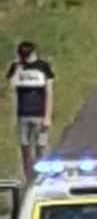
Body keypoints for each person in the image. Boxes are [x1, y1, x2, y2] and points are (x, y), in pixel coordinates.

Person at [6, 41, 55, 181]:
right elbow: (12, 85)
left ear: (34, 52)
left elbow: (49, 93)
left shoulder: (43, 67)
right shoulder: (16, 67)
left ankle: (43, 176)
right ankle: (29, 179)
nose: (26, 58)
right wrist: (19, 68)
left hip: (40, 115)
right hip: (23, 116)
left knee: (42, 147)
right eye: (23, 55)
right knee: (25, 148)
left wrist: (48, 116)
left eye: (27, 55)